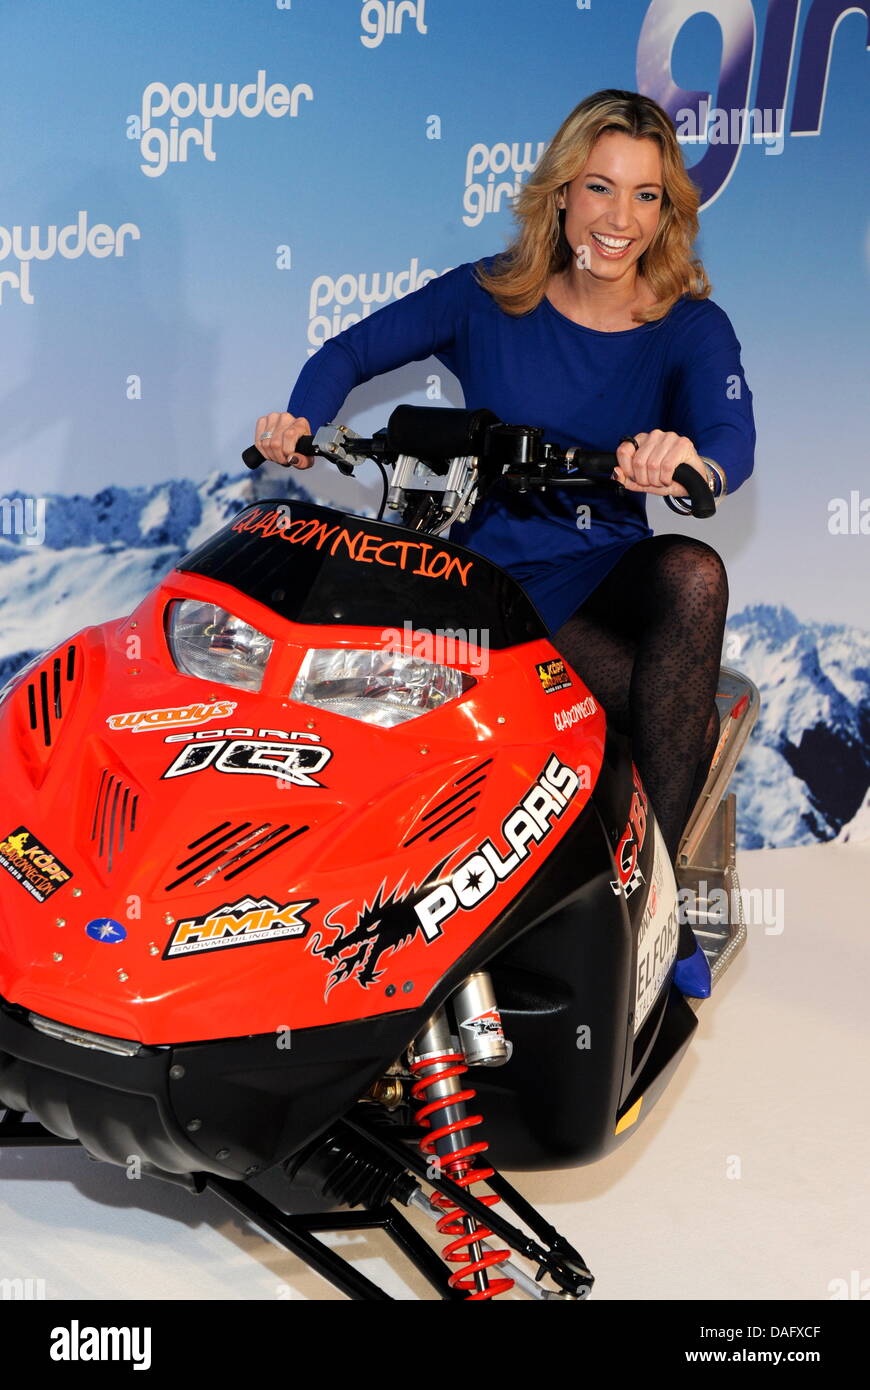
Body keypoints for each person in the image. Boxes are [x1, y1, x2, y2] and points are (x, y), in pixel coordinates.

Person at [253, 89, 755, 998]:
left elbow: (729, 445)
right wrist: (300, 416)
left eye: (647, 197)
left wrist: (687, 462)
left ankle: (661, 897)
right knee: (631, 707)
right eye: (601, 188)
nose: (620, 219)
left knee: (693, 571)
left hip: (600, 564)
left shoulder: (687, 325)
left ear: (669, 212)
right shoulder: (491, 294)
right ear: (561, 193)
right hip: (483, 576)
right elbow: (350, 352)